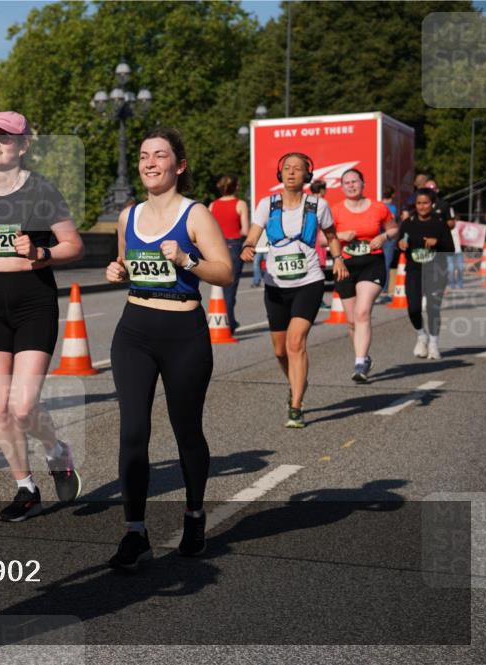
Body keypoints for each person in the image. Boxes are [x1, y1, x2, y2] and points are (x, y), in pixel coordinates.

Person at [0, 111, 85, 522]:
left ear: (23, 146)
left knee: (23, 407)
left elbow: (73, 246)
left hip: (33, 300)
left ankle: (57, 451)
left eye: (5, 138)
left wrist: (42, 253)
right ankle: (25, 486)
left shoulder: (42, 191)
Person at [104, 128, 233, 570]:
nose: (149, 163)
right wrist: (118, 270)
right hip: (134, 330)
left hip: (184, 333)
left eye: (160, 155)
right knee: (133, 431)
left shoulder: (195, 215)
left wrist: (187, 260)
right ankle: (134, 531)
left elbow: (225, 272)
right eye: (143, 156)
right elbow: (126, 263)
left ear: (179, 165)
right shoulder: (129, 216)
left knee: (186, 429)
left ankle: (194, 514)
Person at [241, 153, 348, 429]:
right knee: (279, 350)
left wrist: (338, 260)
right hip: (276, 284)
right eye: (287, 169)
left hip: (308, 281)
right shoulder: (268, 204)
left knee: (295, 342)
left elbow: (333, 236)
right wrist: (248, 246)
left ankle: (297, 404)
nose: (291, 173)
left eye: (297, 169)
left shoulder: (318, 205)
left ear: (306, 176)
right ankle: (297, 380)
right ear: (280, 174)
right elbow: (253, 233)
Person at [331, 168, 397, 382]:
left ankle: (359, 364)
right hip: (345, 267)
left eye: (355, 181)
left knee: (362, 312)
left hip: (372, 264)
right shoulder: (336, 211)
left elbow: (395, 228)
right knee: (352, 321)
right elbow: (322, 240)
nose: (351, 185)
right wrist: (340, 236)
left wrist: (384, 237)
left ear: (363, 183)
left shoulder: (379, 208)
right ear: (342, 187)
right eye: (346, 182)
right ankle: (365, 356)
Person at [399, 188, 454, 360]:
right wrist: (400, 244)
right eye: (419, 203)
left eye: (425, 203)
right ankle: (421, 336)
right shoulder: (408, 223)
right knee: (413, 308)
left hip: (436, 270)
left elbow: (450, 250)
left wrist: (437, 243)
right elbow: (400, 242)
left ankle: (434, 344)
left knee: (432, 308)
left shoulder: (439, 223)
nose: (422, 207)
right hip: (414, 270)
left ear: (432, 204)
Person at [208, 174, 249, 332]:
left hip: (216, 246)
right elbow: (245, 229)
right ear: (236, 187)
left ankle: (223, 318)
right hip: (233, 245)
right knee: (231, 286)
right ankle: (229, 321)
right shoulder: (240, 204)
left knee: (219, 285)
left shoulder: (212, 205)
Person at [380, 185, 399, 300]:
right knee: (386, 263)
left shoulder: (379, 205)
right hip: (389, 238)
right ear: (393, 195)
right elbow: (394, 222)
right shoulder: (393, 208)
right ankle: (384, 290)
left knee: (378, 263)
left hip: (378, 236)